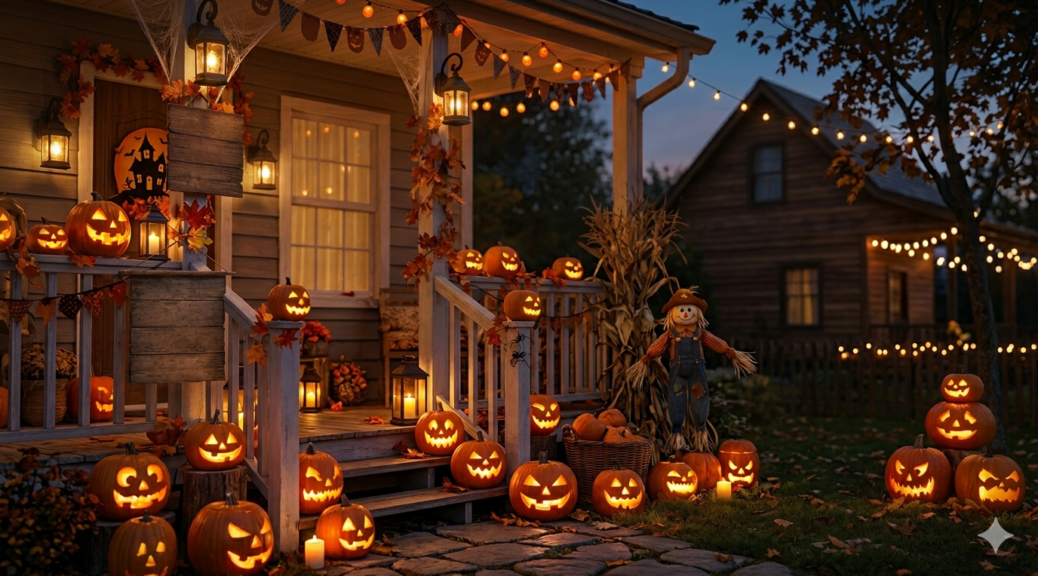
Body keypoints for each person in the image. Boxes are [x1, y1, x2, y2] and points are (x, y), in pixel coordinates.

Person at [627, 287, 756, 453]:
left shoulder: (701, 333)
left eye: (689, 309)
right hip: (677, 375)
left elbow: (716, 342)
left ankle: (700, 432)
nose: (686, 313)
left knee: (699, 399)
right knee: (676, 399)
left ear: (697, 313)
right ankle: (677, 434)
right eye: (682, 310)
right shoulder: (670, 334)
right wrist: (647, 357)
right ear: (673, 313)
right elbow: (656, 348)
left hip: (697, 375)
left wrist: (729, 352)